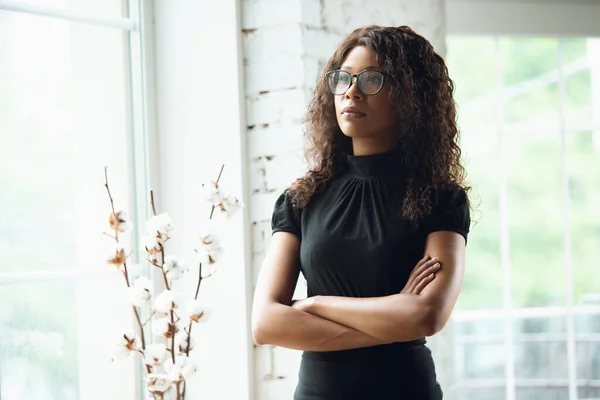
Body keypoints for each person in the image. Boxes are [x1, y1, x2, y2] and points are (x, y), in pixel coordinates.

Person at [251, 25, 471, 400]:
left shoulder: (440, 199)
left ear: (409, 95)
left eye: (371, 80)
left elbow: (427, 316)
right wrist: (393, 317)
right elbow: (266, 323)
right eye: (343, 79)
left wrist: (317, 304)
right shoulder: (302, 197)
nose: (351, 92)